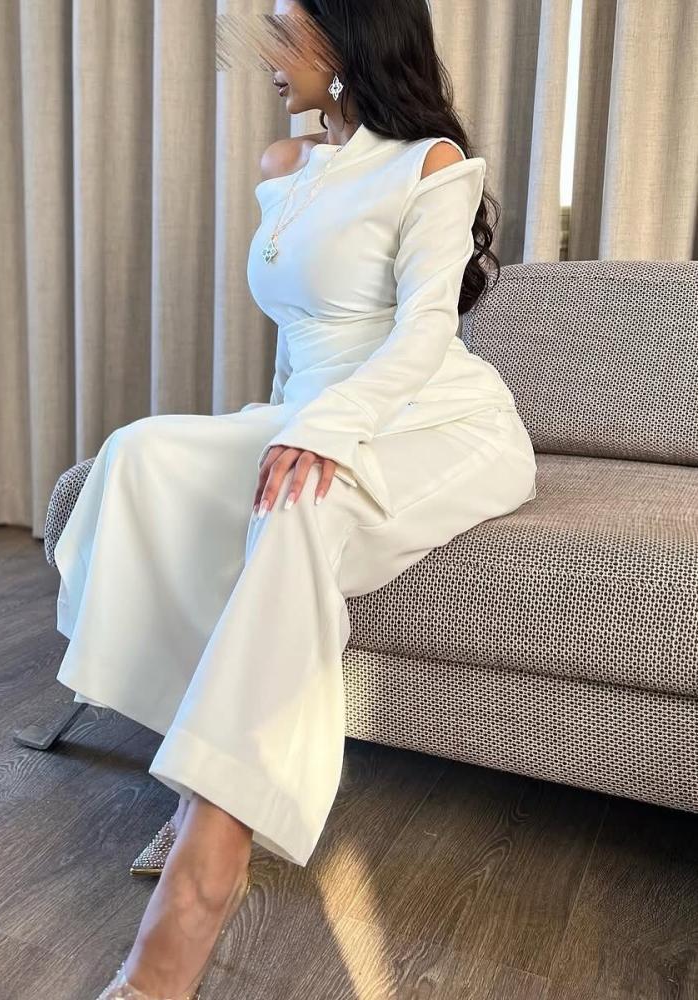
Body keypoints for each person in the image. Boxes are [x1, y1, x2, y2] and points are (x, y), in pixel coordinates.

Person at [59, 1, 539, 997]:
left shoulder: (432, 163)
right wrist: (279, 426)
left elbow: (422, 332)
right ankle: (201, 768)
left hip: (440, 419)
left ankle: (202, 876)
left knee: (298, 510)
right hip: (313, 407)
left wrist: (322, 434)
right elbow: (298, 338)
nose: (268, 54)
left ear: (348, 34)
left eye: (286, 30)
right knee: (141, 456)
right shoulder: (286, 165)